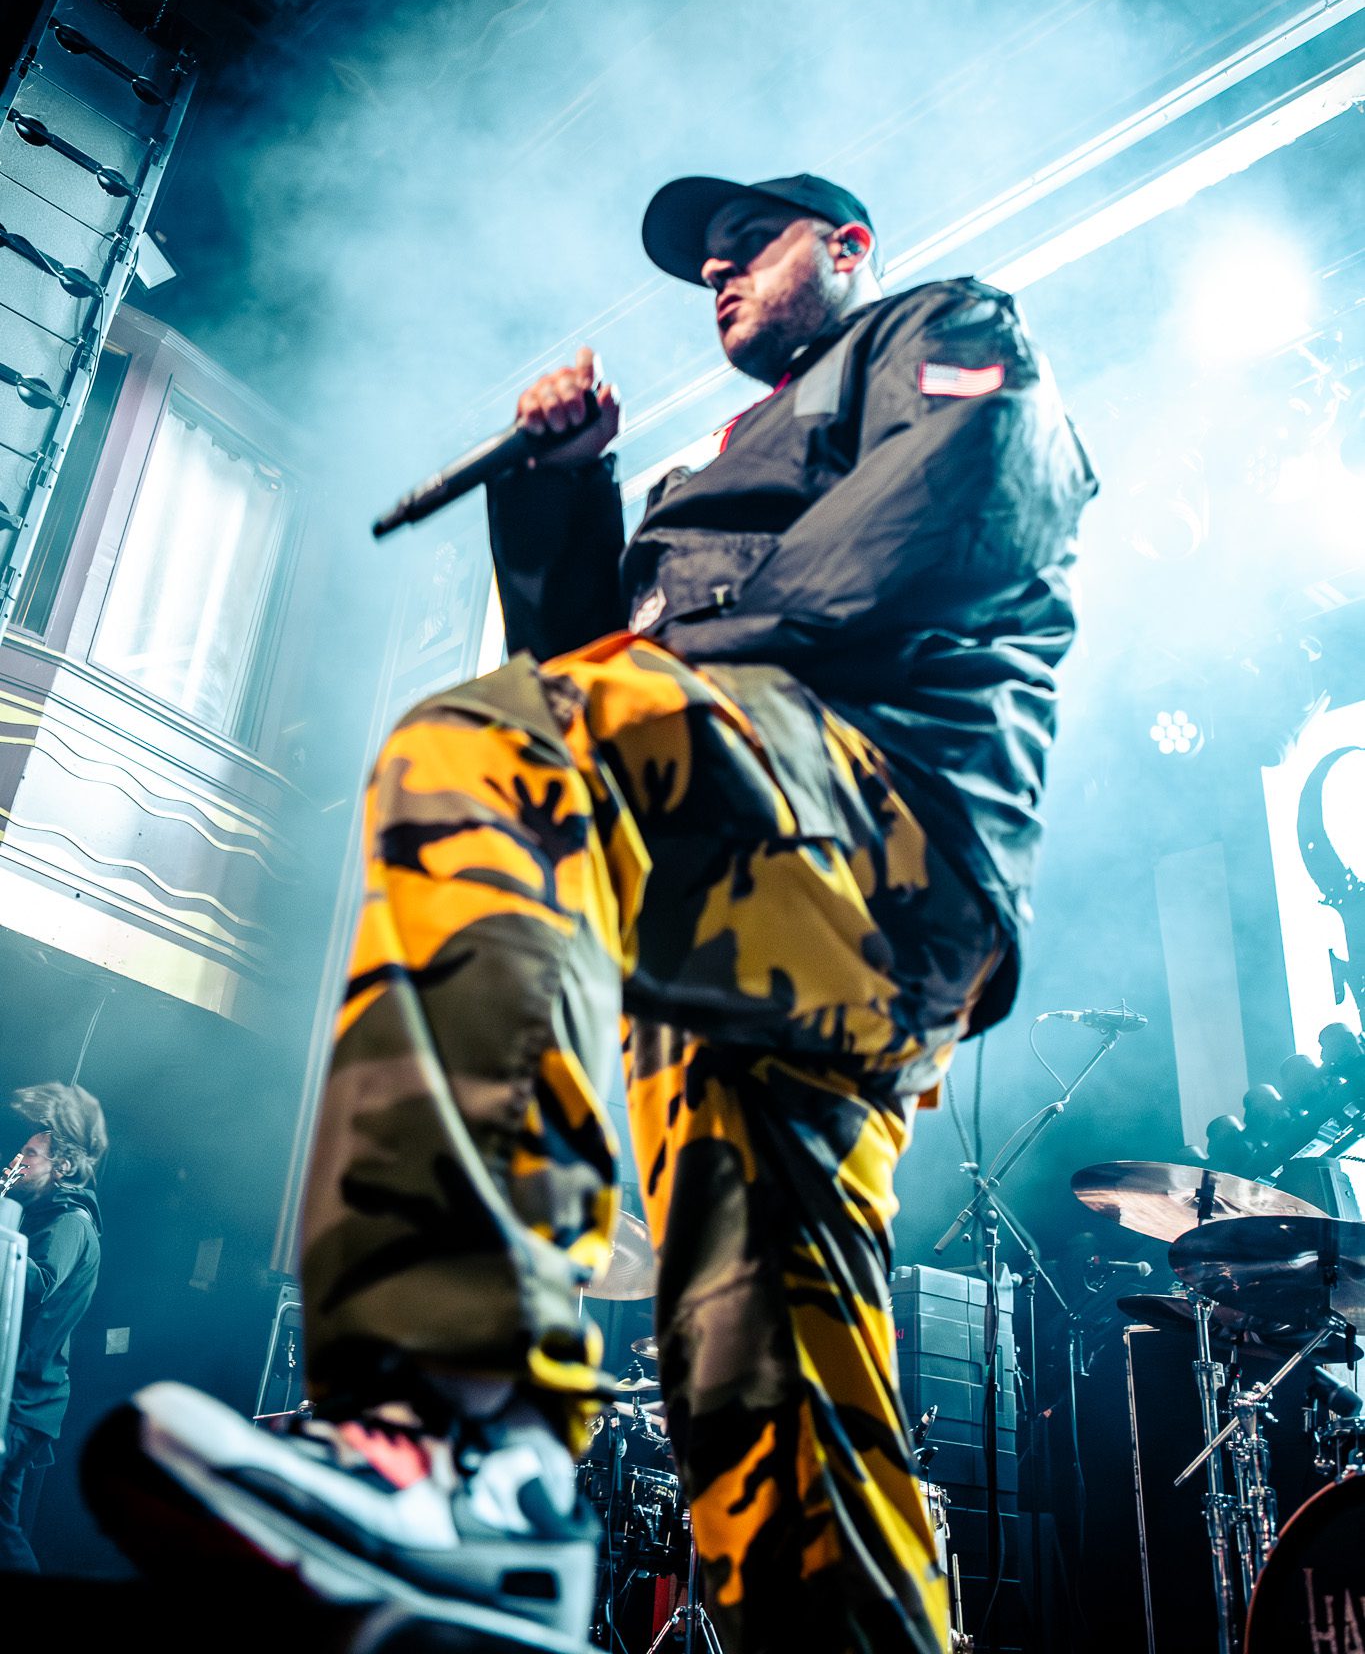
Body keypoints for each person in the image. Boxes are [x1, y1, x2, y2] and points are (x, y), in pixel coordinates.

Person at [87, 174, 1095, 1653]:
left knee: (473, 751)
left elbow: (957, 503)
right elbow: (587, 668)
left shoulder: (942, 331)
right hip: (743, 902)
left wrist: (657, 662)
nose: (718, 273)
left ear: (848, 248)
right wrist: (567, 487)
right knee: (764, 1366)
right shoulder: (714, 468)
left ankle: (458, 1436)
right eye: (703, 265)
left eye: (749, 244)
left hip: (875, 822)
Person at [0, 1081, 106, 1572]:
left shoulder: (69, 1222)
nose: (16, 1161)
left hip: (23, 1401)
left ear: (61, 1166)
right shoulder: (43, 1216)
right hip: (23, 1398)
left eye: (29, 1154)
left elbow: (38, 1283)